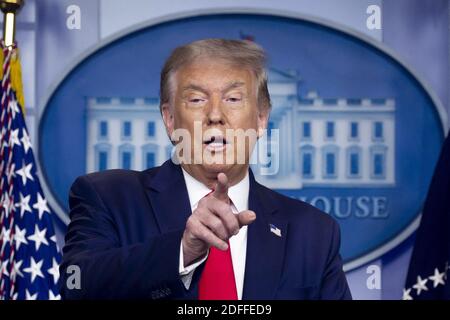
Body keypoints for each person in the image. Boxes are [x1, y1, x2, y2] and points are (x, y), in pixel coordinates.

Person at [59, 39, 352, 300]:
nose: (215, 115)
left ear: (261, 118)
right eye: (197, 99)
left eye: (233, 99)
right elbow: (75, 284)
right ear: (170, 119)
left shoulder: (314, 232)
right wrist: (182, 251)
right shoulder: (108, 197)